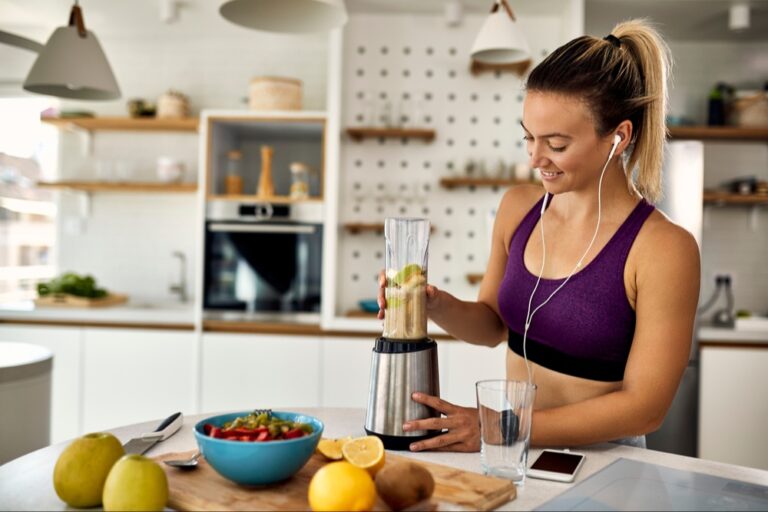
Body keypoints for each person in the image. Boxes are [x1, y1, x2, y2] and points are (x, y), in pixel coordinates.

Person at [377, 19, 701, 452]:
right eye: (529, 138)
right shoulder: (519, 208)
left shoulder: (663, 248)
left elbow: (646, 407)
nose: (535, 158)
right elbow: (491, 326)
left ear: (618, 137)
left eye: (556, 144)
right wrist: (431, 301)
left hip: (607, 462)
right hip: (513, 453)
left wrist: (503, 426)